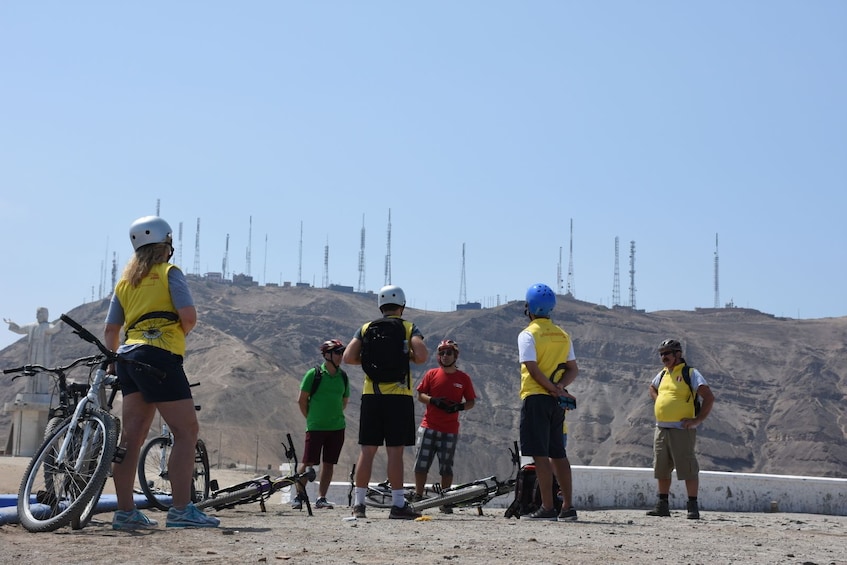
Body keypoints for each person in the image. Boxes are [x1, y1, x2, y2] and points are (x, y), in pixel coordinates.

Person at [104, 215, 219, 530]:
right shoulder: (170, 272)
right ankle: (181, 509)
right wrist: (173, 335)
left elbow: (111, 328)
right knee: (186, 432)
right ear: (167, 246)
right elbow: (189, 316)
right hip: (159, 355)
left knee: (132, 438)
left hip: (128, 356)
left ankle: (125, 513)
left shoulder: (125, 283)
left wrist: (114, 359)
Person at [342, 284, 428, 520]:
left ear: (380, 306)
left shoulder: (366, 328)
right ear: (402, 306)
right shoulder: (409, 327)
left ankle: (359, 505)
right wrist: (404, 356)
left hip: (372, 395)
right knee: (395, 452)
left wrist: (370, 359)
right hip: (398, 398)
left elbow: (348, 357)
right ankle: (398, 505)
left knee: (367, 451)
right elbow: (422, 356)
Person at [518, 283, 579, 521]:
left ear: (529, 308)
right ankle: (568, 507)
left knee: (541, 456)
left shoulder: (528, 334)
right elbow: (573, 369)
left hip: (535, 398)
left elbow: (532, 370)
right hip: (556, 402)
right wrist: (560, 389)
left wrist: (552, 388)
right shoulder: (563, 335)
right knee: (559, 454)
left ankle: (547, 507)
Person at [647, 338, 715, 520]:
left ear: (678, 354)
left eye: (667, 353)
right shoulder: (663, 374)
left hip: (681, 429)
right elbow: (651, 387)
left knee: (687, 467)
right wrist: (659, 400)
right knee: (661, 468)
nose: (663, 357)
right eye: (661, 354)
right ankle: (662, 505)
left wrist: (697, 420)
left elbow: (708, 396)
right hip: (661, 428)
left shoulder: (689, 373)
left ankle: (692, 506)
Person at [413, 339, 476, 513]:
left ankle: (445, 500)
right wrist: (433, 401)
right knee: (421, 463)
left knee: (446, 466)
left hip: (450, 430)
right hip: (429, 426)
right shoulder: (431, 374)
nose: (445, 356)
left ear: (455, 356)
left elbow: (471, 401)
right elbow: (420, 395)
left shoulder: (463, 378)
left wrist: (459, 406)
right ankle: (418, 496)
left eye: (449, 353)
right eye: (442, 353)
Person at [292, 338, 350, 510]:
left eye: (341, 352)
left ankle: (321, 498)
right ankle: (299, 497)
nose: (341, 356)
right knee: (308, 462)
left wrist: (335, 416)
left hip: (337, 427)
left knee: (329, 463)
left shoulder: (343, 377)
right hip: (316, 426)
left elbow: (344, 400)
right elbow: (302, 400)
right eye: (337, 352)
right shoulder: (314, 374)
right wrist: (311, 418)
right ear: (327, 355)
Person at [5, 307, 63, 394]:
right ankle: (30, 391)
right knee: (30, 370)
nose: (37, 315)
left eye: (40, 313)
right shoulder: (31, 326)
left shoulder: (47, 326)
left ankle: (41, 391)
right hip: (32, 352)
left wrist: (62, 322)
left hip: (42, 353)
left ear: (45, 315)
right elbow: (20, 329)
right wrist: (12, 324)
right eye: (37, 313)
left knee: (40, 370)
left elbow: (53, 329)